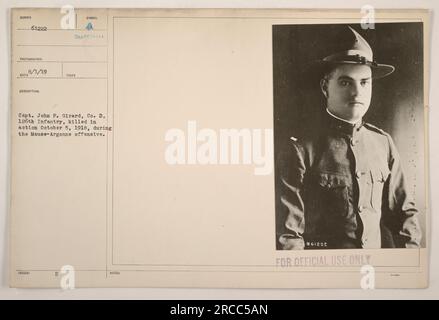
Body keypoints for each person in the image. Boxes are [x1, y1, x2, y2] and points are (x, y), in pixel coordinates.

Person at [277, 26, 422, 250]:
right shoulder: (301, 149)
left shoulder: (383, 143)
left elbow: (405, 217)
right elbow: (289, 237)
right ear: (325, 86)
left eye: (365, 82)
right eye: (345, 82)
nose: (357, 93)